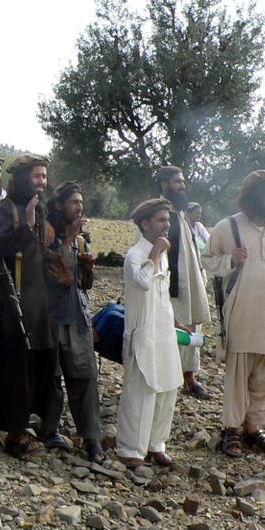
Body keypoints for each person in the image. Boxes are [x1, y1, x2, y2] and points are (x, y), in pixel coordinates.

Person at [202, 171, 265, 457]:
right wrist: (230, 260)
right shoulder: (228, 227)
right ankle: (232, 429)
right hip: (242, 312)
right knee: (238, 373)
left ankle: (253, 427)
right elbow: (207, 261)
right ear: (255, 198)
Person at [0, 153, 59, 458]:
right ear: (21, 179)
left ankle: (41, 426)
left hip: (40, 303)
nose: (41, 182)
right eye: (36, 176)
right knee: (15, 370)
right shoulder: (3, 210)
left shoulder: (42, 210)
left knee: (43, 367)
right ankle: (13, 433)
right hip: (12, 304)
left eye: (44, 176)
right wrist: (26, 226)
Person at [35, 181, 104, 462]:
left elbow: (83, 284)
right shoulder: (48, 237)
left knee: (85, 377)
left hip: (77, 317)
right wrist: (67, 241)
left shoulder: (81, 241)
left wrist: (88, 268)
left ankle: (92, 439)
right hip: (51, 316)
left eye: (81, 202)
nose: (79, 207)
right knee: (51, 378)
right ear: (60, 205)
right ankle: (49, 430)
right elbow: (57, 275)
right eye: (74, 202)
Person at [116, 198, 182, 469]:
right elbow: (142, 282)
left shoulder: (161, 254)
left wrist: (175, 322)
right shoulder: (136, 253)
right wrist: (154, 253)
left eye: (168, 220)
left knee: (168, 386)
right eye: (161, 220)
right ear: (145, 224)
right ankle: (130, 449)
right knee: (141, 390)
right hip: (142, 332)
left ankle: (156, 444)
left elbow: (161, 294)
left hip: (163, 330)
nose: (167, 225)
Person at [158, 166, 212, 399]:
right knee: (170, 328)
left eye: (182, 181)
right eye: (177, 182)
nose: (182, 186)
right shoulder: (157, 212)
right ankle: (167, 378)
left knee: (192, 326)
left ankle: (190, 378)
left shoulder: (181, 212)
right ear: (164, 184)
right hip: (171, 283)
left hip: (190, 281)